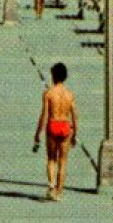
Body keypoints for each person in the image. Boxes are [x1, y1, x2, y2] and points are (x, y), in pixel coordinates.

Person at [33, 62, 78, 201]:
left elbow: (44, 115)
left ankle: (51, 185)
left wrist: (38, 133)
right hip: (65, 126)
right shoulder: (70, 95)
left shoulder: (49, 93)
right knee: (63, 161)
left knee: (51, 158)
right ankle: (59, 192)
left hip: (53, 125)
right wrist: (75, 133)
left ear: (53, 76)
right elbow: (74, 115)